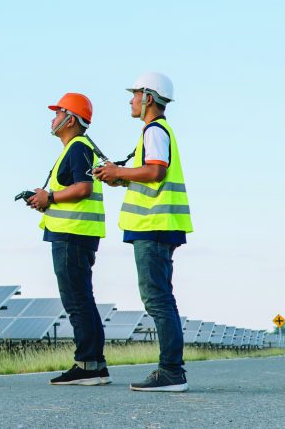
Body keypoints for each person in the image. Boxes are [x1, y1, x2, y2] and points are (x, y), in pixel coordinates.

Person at [94, 72, 192, 392]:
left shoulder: (154, 131)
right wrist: (119, 177)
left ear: (148, 98)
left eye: (135, 94)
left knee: (157, 299)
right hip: (157, 227)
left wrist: (119, 171)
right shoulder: (154, 133)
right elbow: (148, 173)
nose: (131, 100)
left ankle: (171, 372)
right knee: (160, 298)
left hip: (154, 226)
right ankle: (171, 370)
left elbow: (155, 171)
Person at [27, 93, 109, 386]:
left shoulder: (77, 148)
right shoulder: (77, 148)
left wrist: (49, 197)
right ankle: (96, 365)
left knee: (76, 300)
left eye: (58, 113)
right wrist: (44, 198)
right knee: (83, 298)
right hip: (77, 233)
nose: (53, 118)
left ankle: (86, 365)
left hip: (71, 234)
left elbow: (83, 188)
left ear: (70, 119)